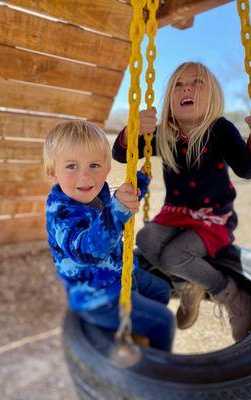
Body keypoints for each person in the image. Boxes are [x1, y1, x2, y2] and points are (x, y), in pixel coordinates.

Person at [112, 62, 251, 342]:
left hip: (212, 217)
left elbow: (246, 168)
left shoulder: (219, 129)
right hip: (175, 214)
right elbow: (121, 155)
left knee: (175, 256)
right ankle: (187, 286)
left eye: (197, 82)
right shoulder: (164, 133)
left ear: (213, 97)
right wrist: (133, 130)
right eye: (178, 84)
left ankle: (230, 294)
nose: (186, 87)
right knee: (147, 239)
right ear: (171, 99)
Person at [43, 119, 175, 351]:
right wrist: (117, 211)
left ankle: (138, 331)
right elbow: (87, 250)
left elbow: (119, 199)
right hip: (97, 297)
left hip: (119, 273)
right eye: (72, 166)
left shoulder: (98, 192)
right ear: (52, 172)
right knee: (164, 322)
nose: (85, 177)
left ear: (107, 168)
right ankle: (155, 375)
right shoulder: (61, 213)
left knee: (161, 290)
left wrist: (138, 184)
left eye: (94, 165)